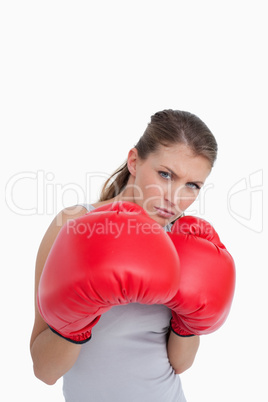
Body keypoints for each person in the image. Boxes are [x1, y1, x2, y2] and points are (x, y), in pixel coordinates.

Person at [30, 109, 235, 402]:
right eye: (165, 174)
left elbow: (180, 364)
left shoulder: (186, 243)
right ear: (135, 161)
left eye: (192, 185)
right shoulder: (75, 224)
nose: (175, 198)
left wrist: (187, 322)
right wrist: (76, 320)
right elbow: (44, 371)